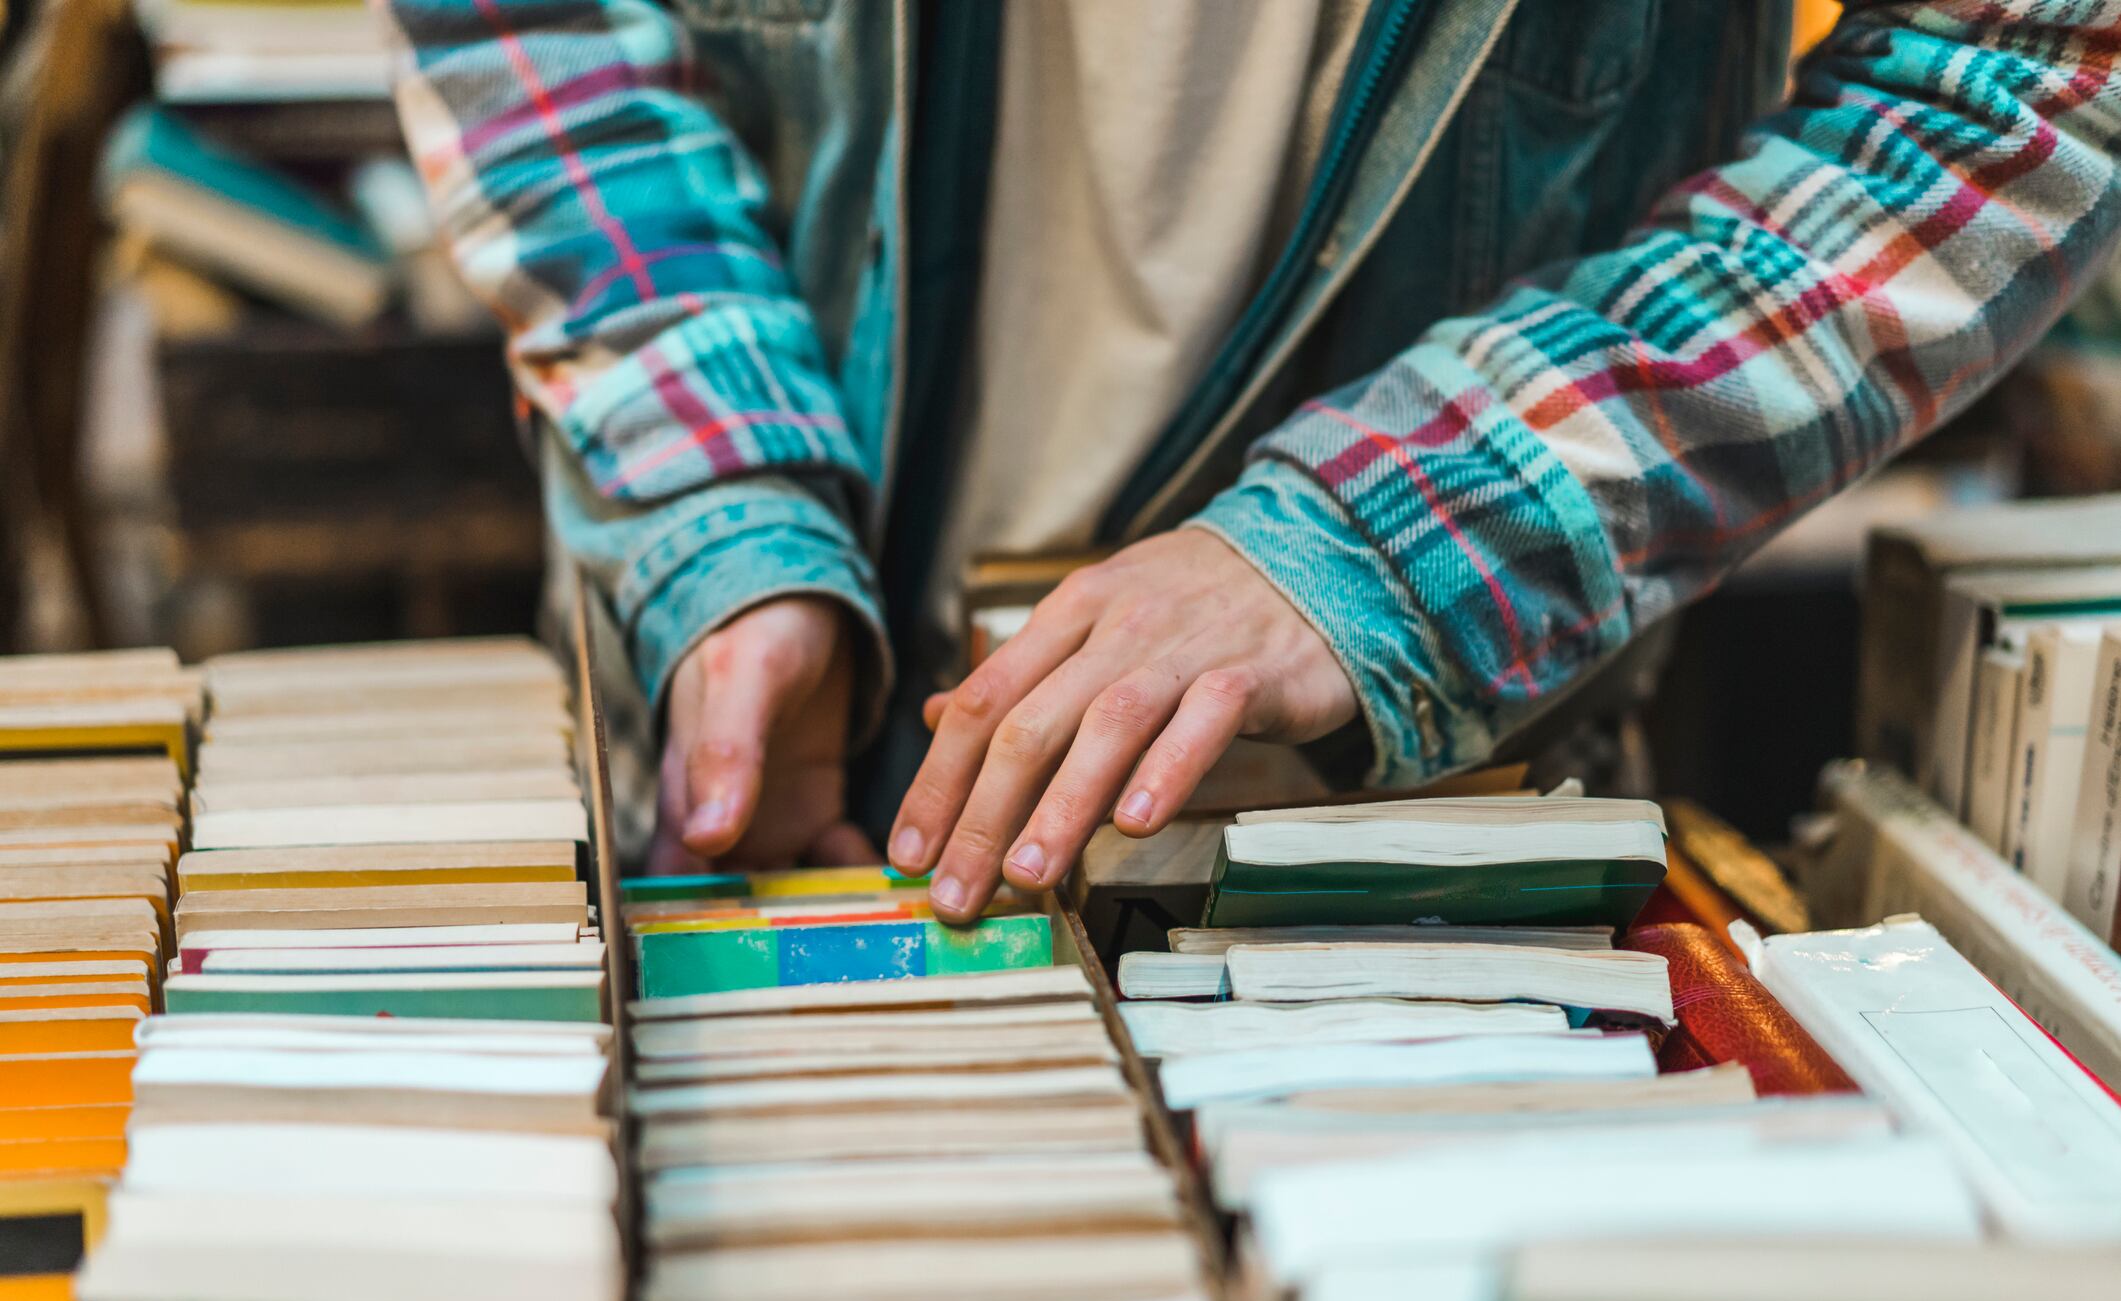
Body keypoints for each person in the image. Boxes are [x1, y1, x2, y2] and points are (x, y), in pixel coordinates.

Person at [378, 0, 2121, 922]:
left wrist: (1413, 531)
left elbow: (2025, 64)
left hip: (1403, 866)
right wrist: (719, 499)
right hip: (741, 772)